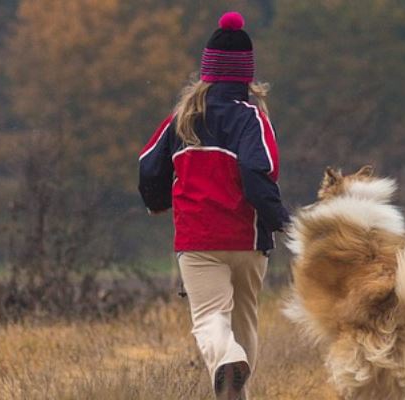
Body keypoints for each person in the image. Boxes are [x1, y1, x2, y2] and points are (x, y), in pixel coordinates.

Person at [138, 11, 289, 400]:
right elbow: (259, 173)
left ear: (206, 70)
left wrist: (157, 204)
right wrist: (279, 219)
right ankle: (236, 377)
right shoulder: (252, 118)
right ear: (247, 75)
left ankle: (226, 362)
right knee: (245, 323)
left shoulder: (182, 118)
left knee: (210, 319)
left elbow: (149, 166)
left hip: (198, 240)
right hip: (247, 238)